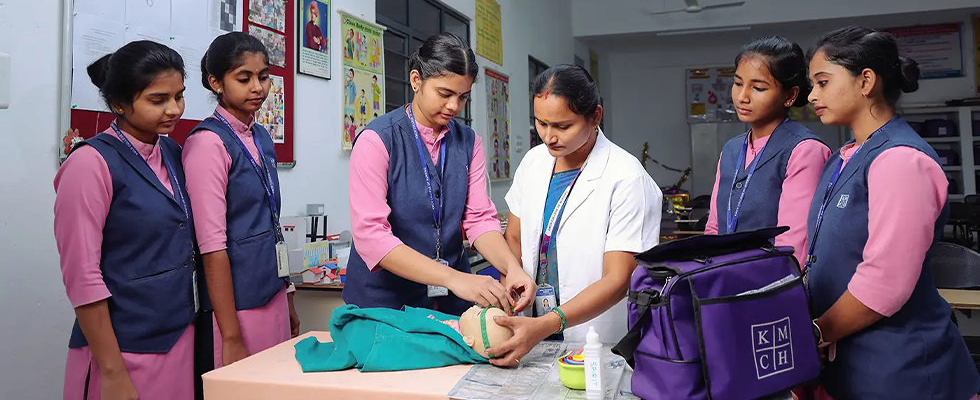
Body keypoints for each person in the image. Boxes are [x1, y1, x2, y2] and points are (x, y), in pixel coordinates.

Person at [806, 26, 979, 400]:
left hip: (902, 369)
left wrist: (816, 333)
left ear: (866, 80)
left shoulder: (900, 160)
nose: (812, 95)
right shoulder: (842, 158)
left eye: (822, 82)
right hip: (848, 363)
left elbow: (885, 284)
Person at [345, 33, 536, 316]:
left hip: (450, 302)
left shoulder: (469, 143)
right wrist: (454, 278)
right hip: (386, 303)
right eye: (444, 94)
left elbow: (479, 219)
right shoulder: (377, 141)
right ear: (416, 81)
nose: (453, 107)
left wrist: (511, 267)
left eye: (463, 98)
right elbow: (372, 238)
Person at [493, 64, 662, 367]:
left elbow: (619, 278)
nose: (548, 137)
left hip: (593, 338)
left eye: (562, 126)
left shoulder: (627, 178)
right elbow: (514, 241)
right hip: (531, 330)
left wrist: (546, 324)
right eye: (541, 123)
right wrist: (511, 291)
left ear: (596, 116)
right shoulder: (533, 163)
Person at [54, 41, 196, 400]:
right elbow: (82, 277)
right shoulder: (90, 165)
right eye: (158, 99)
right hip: (121, 350)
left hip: (176, 339)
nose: (174, 109)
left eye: (179, 96)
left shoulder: (173, 153)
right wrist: (113, 372)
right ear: (119, 104)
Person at [182, 33, 299, 370]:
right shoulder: (207, 144)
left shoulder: (260, 136)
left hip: (271, 292)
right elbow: (211, 246)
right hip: (236, 305)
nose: (257, 88)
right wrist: (230, 336)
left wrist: (287, 296)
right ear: (216, 82)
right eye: (243, 78)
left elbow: (272, 224)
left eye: (263, 77)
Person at [706, 36, 830, 266]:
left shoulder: (805, 150)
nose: (742, 97)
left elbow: (793, 246)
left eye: (758, 88)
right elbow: (714, 227)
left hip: (770, 288)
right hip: (722, 282)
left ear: (790, 95)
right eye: (738, 83)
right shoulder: (732, 149)